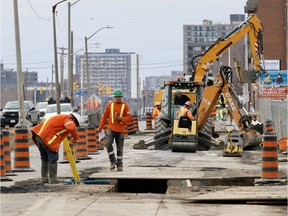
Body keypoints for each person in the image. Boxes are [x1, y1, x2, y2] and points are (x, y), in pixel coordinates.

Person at [31, 113, 81, 184]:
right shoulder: (68, 119)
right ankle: (53, 178)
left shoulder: (60, 117)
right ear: (75, 121)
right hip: (48, 138)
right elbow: (71, 127)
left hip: (39, 136)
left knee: (44, 157)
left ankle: (44, 178)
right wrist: (76, 138)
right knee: (53, 157)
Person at [97, 89, 132, 172]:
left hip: (120, 130)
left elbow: (129, 118)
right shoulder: (110, 105)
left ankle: (120, 165)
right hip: (111, 128)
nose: (118, 98)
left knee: (120, 148)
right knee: (108, 144)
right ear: (114, 97)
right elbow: (104, 117)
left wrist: (121, 118)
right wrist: (100, 127)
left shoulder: (125, 106)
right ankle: (113, 161)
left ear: (121, 97)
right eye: (117, 97)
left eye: (120, 97)